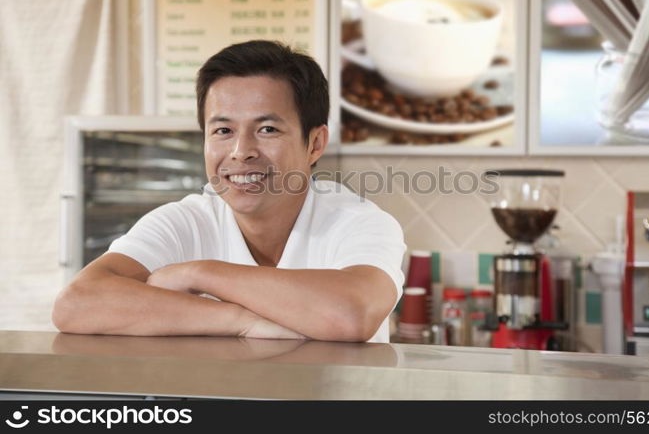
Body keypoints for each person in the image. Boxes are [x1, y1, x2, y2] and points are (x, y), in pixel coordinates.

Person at [52, 40, 406, 343]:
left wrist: (198, 274)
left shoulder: (359, 222)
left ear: (314, 143)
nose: (241, 151)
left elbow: (352, 314)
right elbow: (77, 304)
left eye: (267, 129)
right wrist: (243, 322)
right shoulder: (183, 222)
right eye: (222, 130)